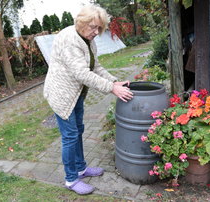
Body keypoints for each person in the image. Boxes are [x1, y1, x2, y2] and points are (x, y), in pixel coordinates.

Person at [43, 4, 133, 195]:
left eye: (99, 28)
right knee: (69, 136)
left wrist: (115, 81)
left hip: (76, 94)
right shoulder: (69, 39)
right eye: (93, 27)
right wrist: (111, 89)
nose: (96, 31)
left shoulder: (87, 39)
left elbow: (95, 66)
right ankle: (71, 179)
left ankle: (81, 168)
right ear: (81, 22)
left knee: (79, 130)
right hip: (62, 95)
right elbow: (82, 74)